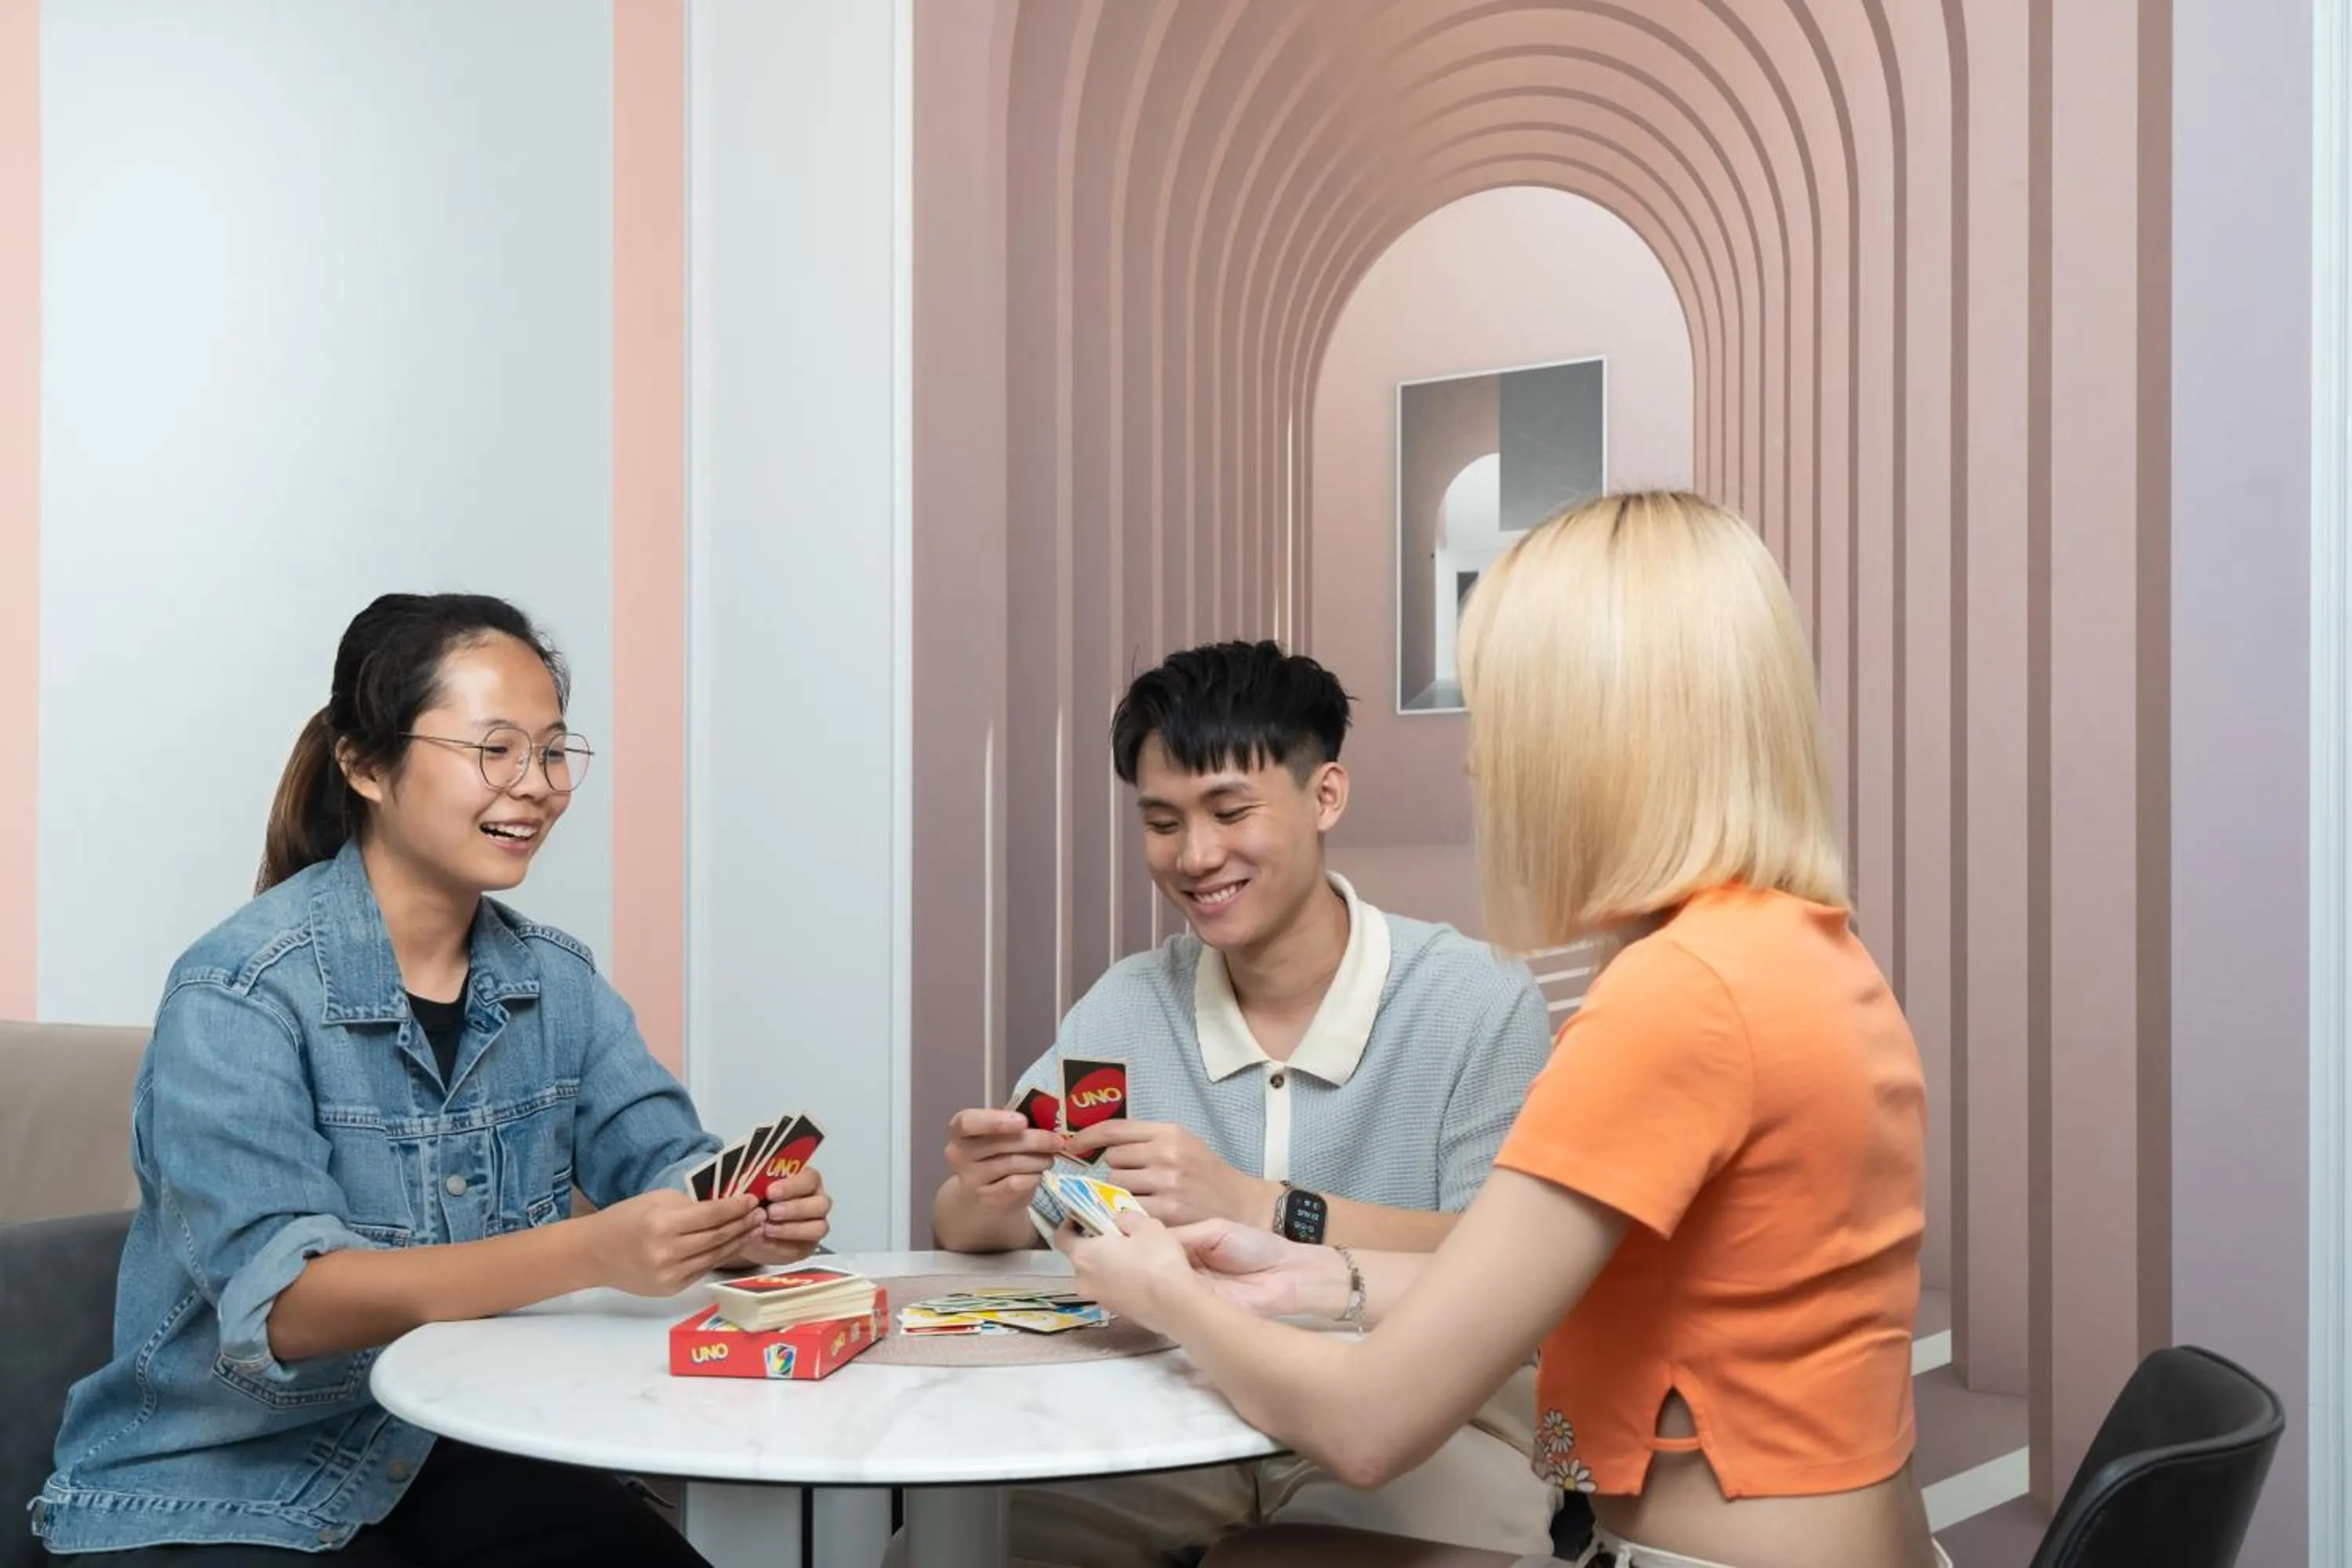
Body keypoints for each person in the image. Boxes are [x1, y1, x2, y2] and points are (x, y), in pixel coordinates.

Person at [1062, 493, 1947, 1568]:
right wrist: (1303, 1273)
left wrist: (1159, 1289)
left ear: (1599, 738)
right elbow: (1549, 1292)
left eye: (1501, 718)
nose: (1481, 765)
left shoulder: (1675, 1001)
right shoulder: (1794, 951)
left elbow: (1368, 1428)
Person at [33, 594, 831, 1564]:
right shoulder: (237, 993)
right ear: (366, 764)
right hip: (221, 1488)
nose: (534, 786)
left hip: (468, 1447)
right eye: (494, 750)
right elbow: (293, 1305)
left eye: (550, 751)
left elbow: (666, 1162)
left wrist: (741, 1216)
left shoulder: (558, 981)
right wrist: (594, 1249)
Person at [930, 641, 1565, 1565]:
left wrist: (1259, 1205)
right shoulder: (1128, 1002)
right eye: (1161, 820)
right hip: (1170, 1411)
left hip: (1434, 1426)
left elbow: (1507, 1264)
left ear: (1326, 796)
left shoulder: (1475, 1000)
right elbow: (970, 1230)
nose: (1195, 855)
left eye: (1230, 811)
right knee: (953, 1547)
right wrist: (987, 1190)